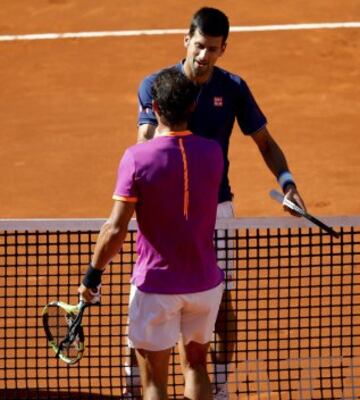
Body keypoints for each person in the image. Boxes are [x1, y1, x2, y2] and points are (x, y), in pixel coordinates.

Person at [126, 6, 307, 400]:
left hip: (216, 210)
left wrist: (287, 182)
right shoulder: (156, 85)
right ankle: (133, 385)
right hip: (160, 212)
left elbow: (266, 143)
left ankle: (219, 387)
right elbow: (144, 141)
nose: (203, 56)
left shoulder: (233, 88)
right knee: (145, 294)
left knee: (220, 299)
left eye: (212, 49)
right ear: (185, 40)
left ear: (224, 48)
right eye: (198, 46)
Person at [79, 67, 225, 400]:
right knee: (197, 367)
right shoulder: (214, 153)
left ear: (155, 109)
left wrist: (91, 277)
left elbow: (115, 229)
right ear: (192, 108)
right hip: (205, 285)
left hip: (156, 287)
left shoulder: (136, 158)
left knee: (154, 382)